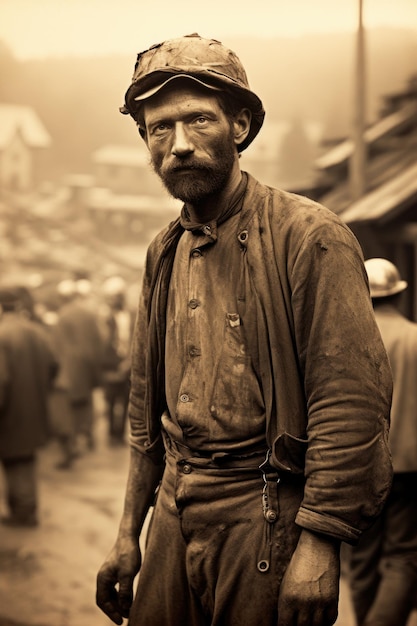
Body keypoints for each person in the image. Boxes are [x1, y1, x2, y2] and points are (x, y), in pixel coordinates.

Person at [96, 34, 393, 626]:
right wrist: (129, 532)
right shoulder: (165, 250)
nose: (178, 145)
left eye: (199, 120)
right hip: (174, 510)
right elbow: (143, 407)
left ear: (240, 125)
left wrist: (320, 542)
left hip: (266, 511)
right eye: (159, 129)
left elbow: (349, 403)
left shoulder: (308, 236)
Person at [347, 258, 417, 626]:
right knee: (403, 552)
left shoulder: (352, 342)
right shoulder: (415, 338)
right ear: (399, 294)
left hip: (362, 465)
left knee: (362, 553)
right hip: (409, 467)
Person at [0, 286, 58, 527]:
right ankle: (24, 509)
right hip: (34, 406)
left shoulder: (2, 335)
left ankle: (23, 513)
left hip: (10, 411)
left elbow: (1, 381)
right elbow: (54, 365)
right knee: (26, 459)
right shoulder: (37, 332)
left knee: (15, 460)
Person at [49, 278, 103, 468]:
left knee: (67, 413)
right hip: (86, 370)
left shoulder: (62, 316)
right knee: (85, 407)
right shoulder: (88, 314)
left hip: (67, 372)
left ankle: (71, 449)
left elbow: (56, 349)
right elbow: (98, 343)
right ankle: (87, 436)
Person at [99, 276, 134, 446]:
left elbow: (135, 338)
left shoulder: (130, 315)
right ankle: (112, 435)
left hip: (128, 366)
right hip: (111, 367)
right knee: (111, 403)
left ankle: (119, 434)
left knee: (126, 401)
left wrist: (128, 361)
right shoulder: (104, 317)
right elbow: (103, 343)